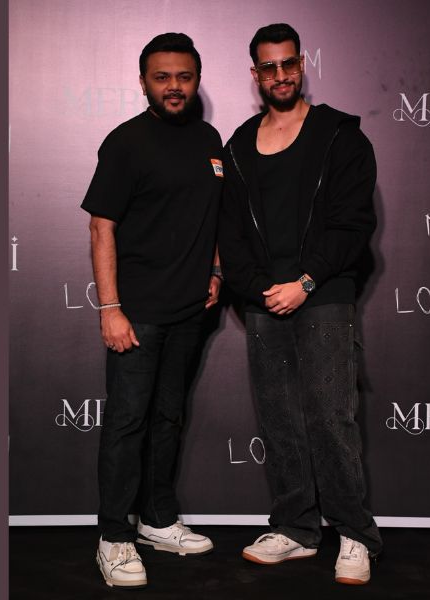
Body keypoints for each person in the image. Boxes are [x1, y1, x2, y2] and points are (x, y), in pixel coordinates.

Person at [217, 23, 383, 585]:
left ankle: (355, 534)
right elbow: (230, 232)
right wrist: (259, 288)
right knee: (280, 419)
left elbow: (353, 224)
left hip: (324, 295)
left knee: (330, 417)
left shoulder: (340, 136)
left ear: (303, 63)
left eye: (289, 64)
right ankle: (296, 527)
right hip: (265, 300)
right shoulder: (239, 146)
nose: (281, 75)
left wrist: (306, 282)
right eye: (269, 67)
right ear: (255, 73)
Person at [80, 32, 223, 589]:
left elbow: (213, 216)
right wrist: (110, 309)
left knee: (168, 419)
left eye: (183, 76)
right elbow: (101, 227)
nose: (174, 86)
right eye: (162, 77)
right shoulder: (125, 143)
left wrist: (215, 271)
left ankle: (158, 520)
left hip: (189, 311)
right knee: (127, 423)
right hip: (136, 313)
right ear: (143, 82)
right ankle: (114, 536)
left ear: (197, 80)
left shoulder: (210, 140)